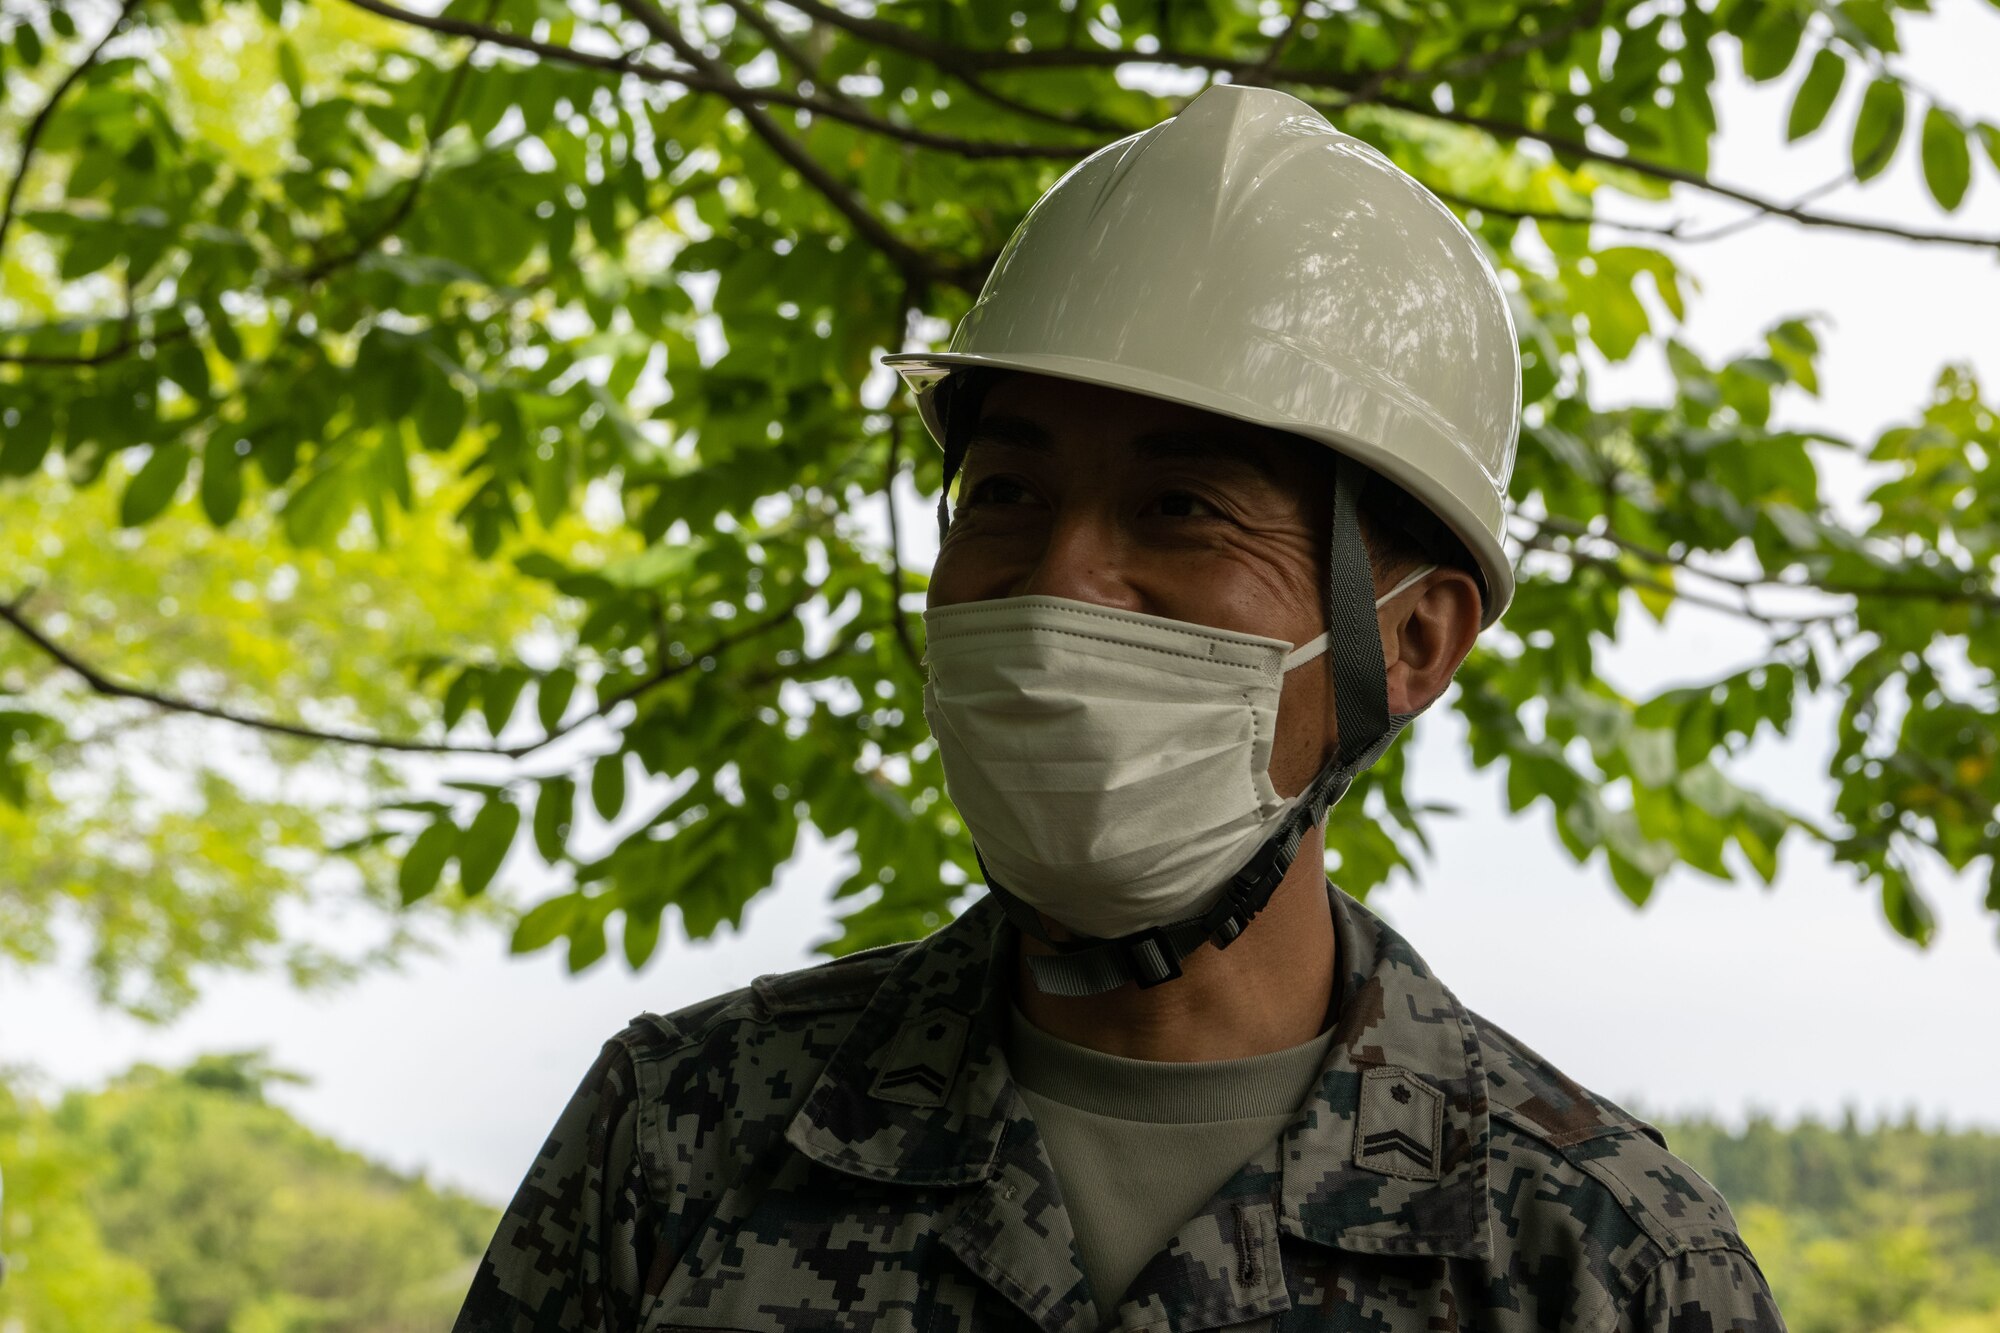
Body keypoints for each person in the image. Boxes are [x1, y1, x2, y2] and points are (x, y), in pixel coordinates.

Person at [453, 84, 1784, 1332]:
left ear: (1415, 640)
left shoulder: (1603, 1259)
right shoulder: (683, 1140)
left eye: (1183, 509)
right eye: (1006, 497)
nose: (1057, 586)